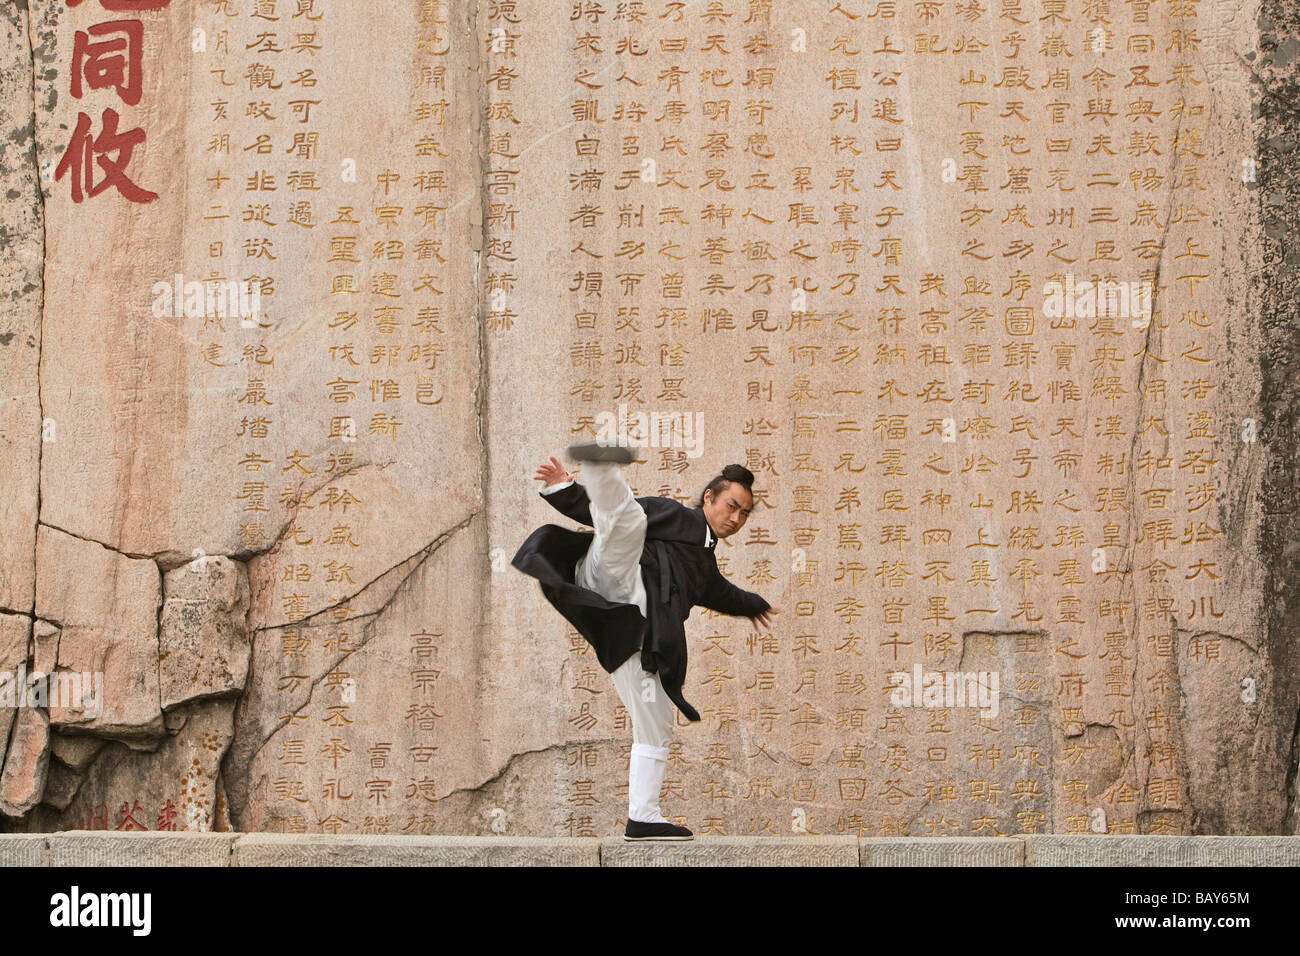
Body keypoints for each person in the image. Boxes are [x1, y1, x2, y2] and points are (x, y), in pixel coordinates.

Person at [511, 441, 781, 841]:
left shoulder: (704, 566)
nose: (736, 517)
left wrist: (754, 603)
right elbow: (607, 514)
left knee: (656, 721)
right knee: (629, 524)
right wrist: (566, 489)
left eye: (744, 513)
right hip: (612, 573)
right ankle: (601, 467)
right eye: (731, 506)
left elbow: (722, 593)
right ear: (710, 497)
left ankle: (643, 818)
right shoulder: (674, 515)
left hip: (630, 631)